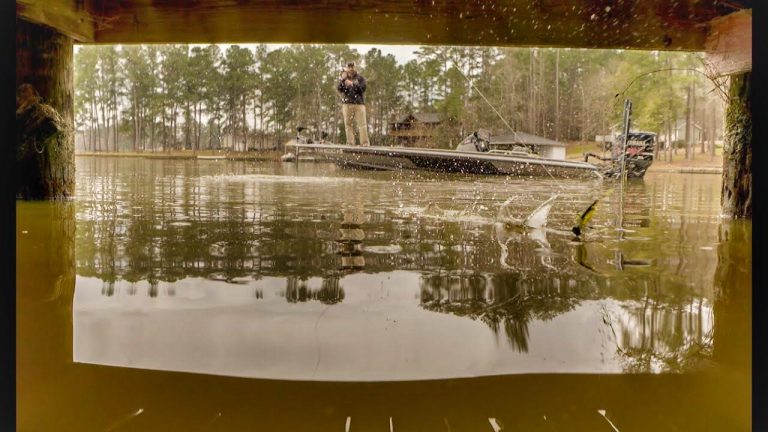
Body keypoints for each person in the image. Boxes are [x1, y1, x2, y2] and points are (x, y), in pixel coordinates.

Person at [337, 62, 370, 146]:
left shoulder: (360, 78)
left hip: (359, 104)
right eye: (349, 67)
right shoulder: (344, 78)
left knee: (362, 124)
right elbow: (340, 89)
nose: (351, 69)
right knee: (348, 124)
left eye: (352, 67)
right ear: (347, 68)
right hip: (347, 104)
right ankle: (350, 143)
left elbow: (362, 89)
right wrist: (343, 80)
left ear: (355, 68)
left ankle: (365, 143)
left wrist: (352, 84)